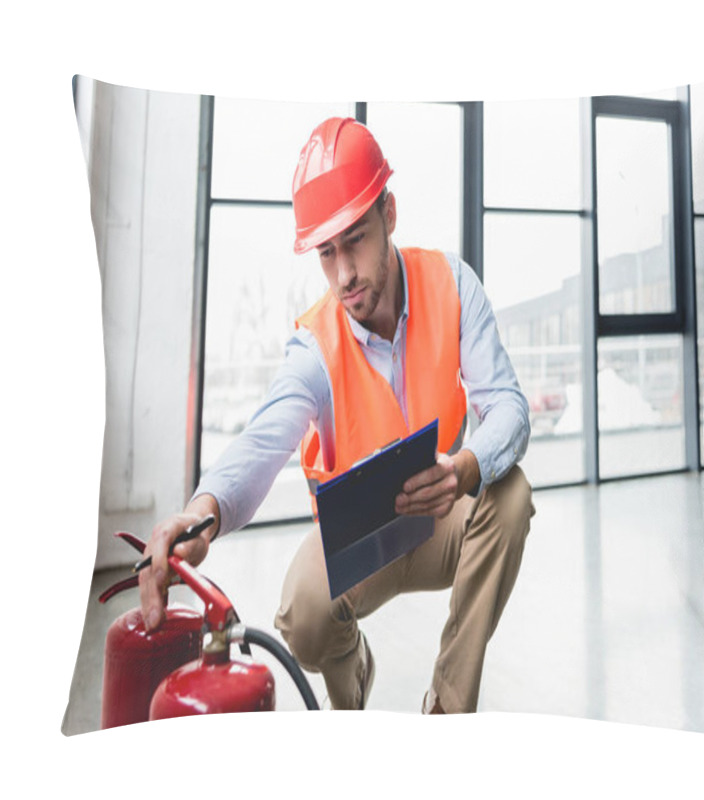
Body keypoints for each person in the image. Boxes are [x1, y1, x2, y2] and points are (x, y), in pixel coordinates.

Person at [138, 116, 535, 713]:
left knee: (511, 494)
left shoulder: (453, 285)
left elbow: (507, 405)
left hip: (441, 511)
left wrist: (464, 468)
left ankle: (448, 713)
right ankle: (353, 693)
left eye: (356, 239)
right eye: (327, 252)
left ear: (390, 215)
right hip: (360, 539)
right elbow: (262, 444)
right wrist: (202, 516)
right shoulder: (314, 346)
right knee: (303, 616)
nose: (344, 272)